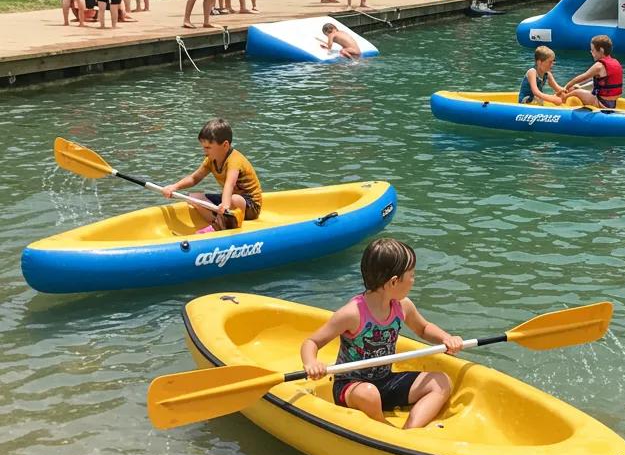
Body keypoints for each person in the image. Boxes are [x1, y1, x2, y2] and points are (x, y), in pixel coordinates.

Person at [299, 238, 463, 430]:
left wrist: (446, 338)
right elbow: (312, 342)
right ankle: (384, 428)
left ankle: (409, 431)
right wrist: (311, 363)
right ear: (394, 282)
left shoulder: (403, 306)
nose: (413, 280)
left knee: (441, 382)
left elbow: (423, 328)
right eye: (411, 275)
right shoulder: (352, 313)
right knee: (369, 394)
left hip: (385, 381)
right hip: (352, 387)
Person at [161, 117, 262, 234]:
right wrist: (174, 187)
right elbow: (194, 178)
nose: (205, 151)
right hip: (230, 201)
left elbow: (229, 185)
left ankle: (217, 226)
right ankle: (218, 222)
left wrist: (225, 205)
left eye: (208, 147)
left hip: (250, 205)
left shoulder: (234, 160)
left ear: (225, 145)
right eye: (203, 147)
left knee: (233, 199)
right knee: (194, 198)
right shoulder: (211, 160)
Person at [558, 34, 623, 109]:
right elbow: (595, 81)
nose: (591, 52)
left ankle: (560, 102)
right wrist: (579, 86)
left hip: (602, 103)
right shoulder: (616, 62)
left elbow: (582, 77)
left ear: (601, 50)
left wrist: (566, 87)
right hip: (612, 103)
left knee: (576, 92)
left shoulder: (599, 66)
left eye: (593, 50)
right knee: (576, 89)